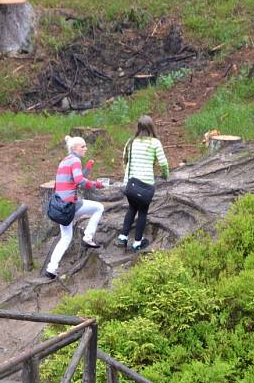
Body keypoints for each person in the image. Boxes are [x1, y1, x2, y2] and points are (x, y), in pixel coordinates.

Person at [45, 135, 105, 279]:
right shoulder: (75, 160)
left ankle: (51, 268)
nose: (86, 148)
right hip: (69, 206)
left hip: (59, 207)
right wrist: (96, 184)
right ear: (74, 148)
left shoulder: (65, 161)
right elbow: (79, 180)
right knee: (99, 208)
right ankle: (88, 237)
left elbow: (75, 180)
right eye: (83, 146)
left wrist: (88, 169)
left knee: (66, 237)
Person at [117, 115, 169, 251]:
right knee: (142, 213)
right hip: (146, 186)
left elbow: (125, 161)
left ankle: (123, 237)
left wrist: (127, 180)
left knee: (131, 208)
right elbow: (163, 163)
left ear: (138, 127)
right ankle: (137, 242)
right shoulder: (155, 143)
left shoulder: (131, 142)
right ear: (151, 127)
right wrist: (165, 175)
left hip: (131, 185)